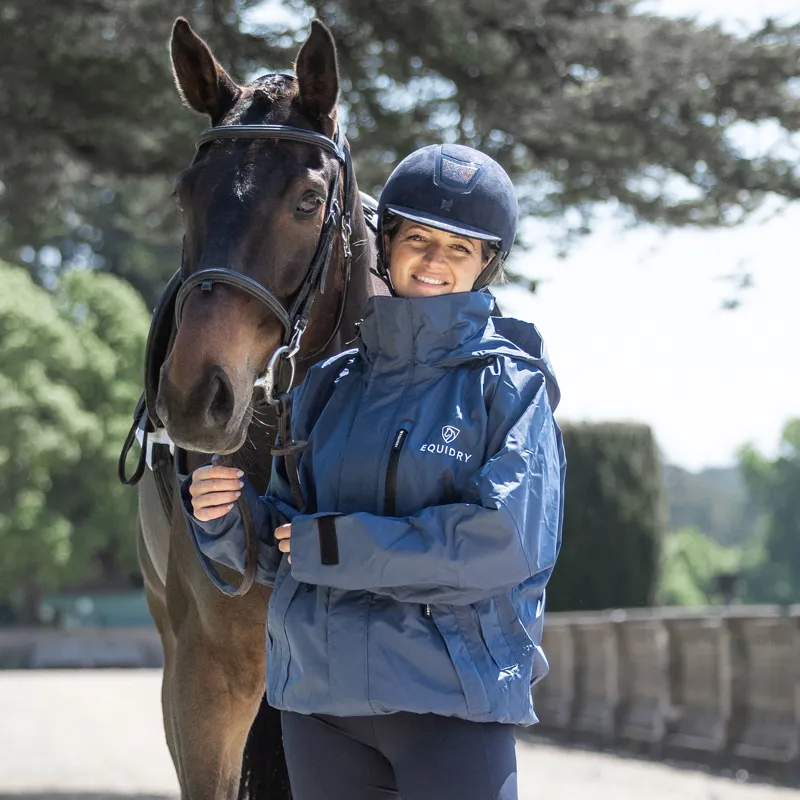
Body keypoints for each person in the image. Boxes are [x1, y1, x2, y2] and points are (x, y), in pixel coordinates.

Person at [182, 144, 566, 800]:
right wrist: (231, 518)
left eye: (460, 247)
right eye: (418, 237)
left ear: (487, 266)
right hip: (319, 710)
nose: (435, 260)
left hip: (449, 707)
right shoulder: (328, 386)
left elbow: (502, 545)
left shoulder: (511, 387)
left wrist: (336, 546)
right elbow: (286, 543)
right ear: (385, 244)